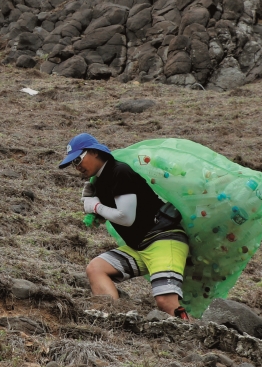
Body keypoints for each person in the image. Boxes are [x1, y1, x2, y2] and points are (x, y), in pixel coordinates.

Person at [61, 133, 191, 319]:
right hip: (139, 246)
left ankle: (192, 336)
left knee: (165, 302)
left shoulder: (119, 171)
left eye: (79, 159)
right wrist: (97, 214)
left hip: (163, 239)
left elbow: (126, 217)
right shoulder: (100, 180)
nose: (77, 166)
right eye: (73, 164)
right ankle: (113, 318)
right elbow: (118, 216)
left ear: (95, 152)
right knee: (96, 269)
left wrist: (96, 206)